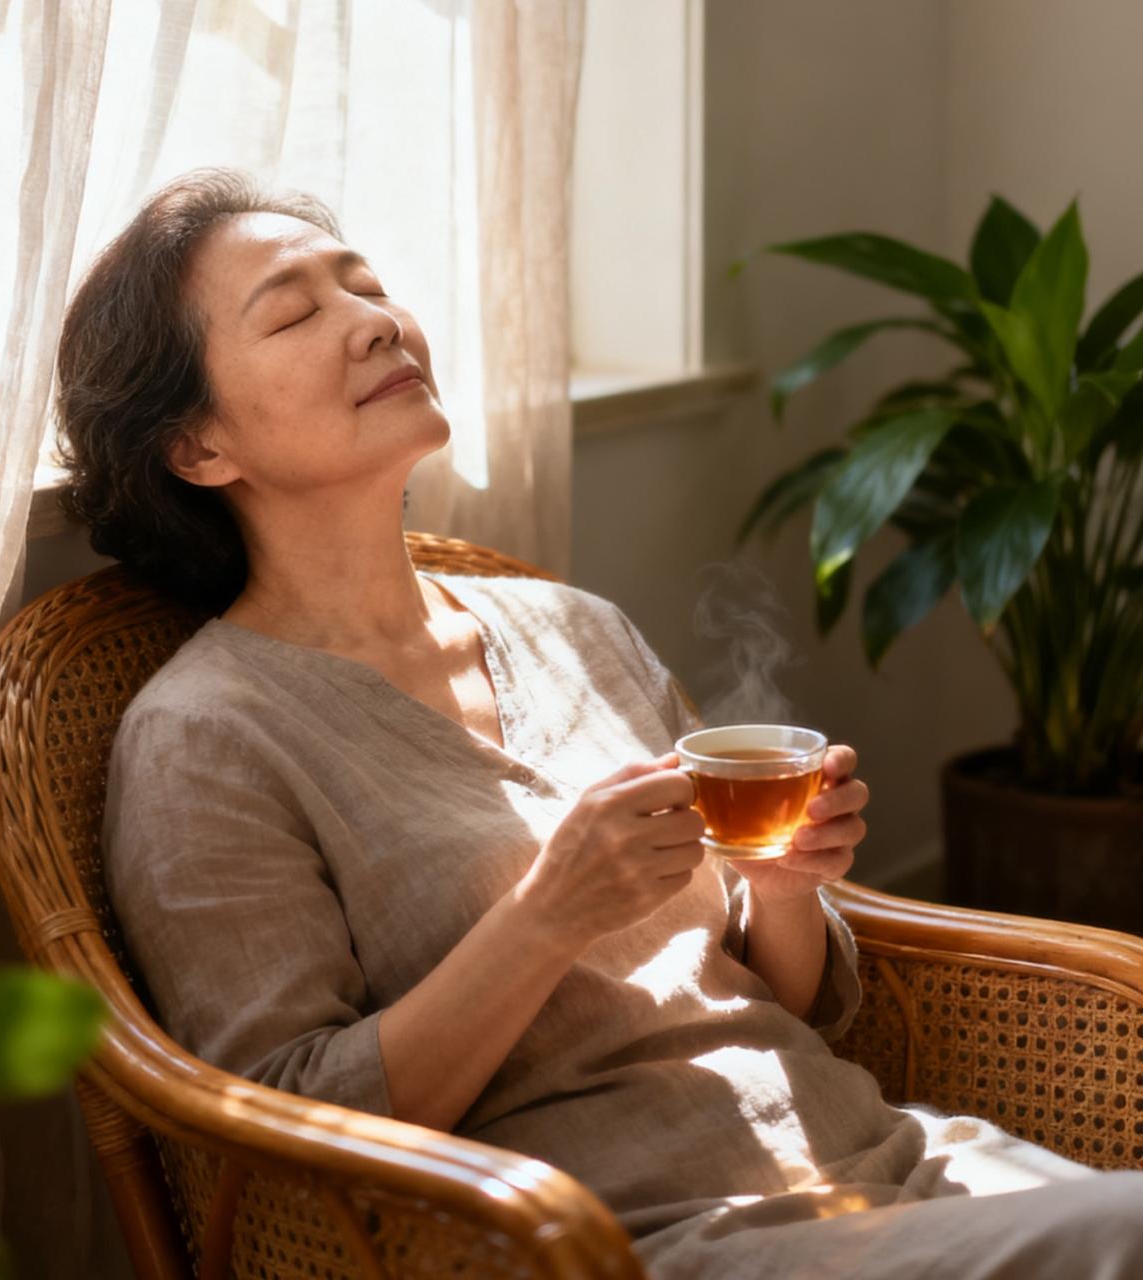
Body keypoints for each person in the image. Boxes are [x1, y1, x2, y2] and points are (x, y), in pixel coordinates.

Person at [58, 169, 1143, 1279]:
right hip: (644, 1240)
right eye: (294, 313)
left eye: (368, 287)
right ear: (199, 449)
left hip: (888, 1163)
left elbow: (782, 1002)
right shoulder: (205, 737)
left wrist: (782, 887)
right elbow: (283, 1137)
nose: (376, 322)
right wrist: (546, 915)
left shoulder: (574, 628)